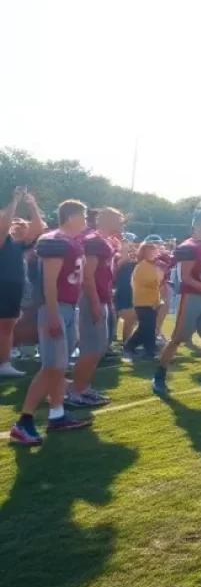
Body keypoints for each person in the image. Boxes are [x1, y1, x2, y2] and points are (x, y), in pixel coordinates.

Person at [9, 199, 93, 444]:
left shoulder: (72, 241)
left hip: (68, 308)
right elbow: (49, 282)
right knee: (51, 367)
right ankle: (23, 422)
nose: (86, 222)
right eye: (83, 217)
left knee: (59, 366)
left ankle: (57, 415)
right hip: (55, 309)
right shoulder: (55, 240)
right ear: (71, 217)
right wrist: (54, 313)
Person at [152, 211, 201, 395]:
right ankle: (159, 374)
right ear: (197, 226)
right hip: (192, 297)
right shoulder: (188, 247)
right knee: (178, 338)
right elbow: (186, 278)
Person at [67, 207, 124, 408]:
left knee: (99, 349)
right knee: (91, 349)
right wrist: (94, 303)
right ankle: (75, 391)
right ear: (107, 220)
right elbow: (88, 276)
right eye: (118, 218)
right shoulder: (94, 241)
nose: (121, 222)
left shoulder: (104, 241)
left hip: (102, 298)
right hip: (93, 299)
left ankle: (83, 387)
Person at [0, 188, 45, 378]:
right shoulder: (4, 238)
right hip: (3, 285)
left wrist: (32, 204)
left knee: (7, 325)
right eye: (15, 221)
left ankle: (4, 363)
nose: (18, 222)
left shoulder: (22, 244)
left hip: (13, 288)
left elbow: (39, 227)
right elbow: (3, 225)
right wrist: (15, 201)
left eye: (21, 221)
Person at [123, 239, 162, 359]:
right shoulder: (142, 265)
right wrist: (160, 278)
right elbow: (150, 282)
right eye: (151, 251)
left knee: (145, 327)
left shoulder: (152, 265)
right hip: (143, 301)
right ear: (144, 253)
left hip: (150, 301)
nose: (154, 253)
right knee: (148, 327)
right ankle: (149, 350)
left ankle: (129, 346)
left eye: (155, 251)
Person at [113, 234, 138, 345]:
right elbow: (117, 266)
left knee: (130, 319)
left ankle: (126, 343)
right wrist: (125, 254)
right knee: (116, 317)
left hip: (130, 289)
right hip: (119, 288)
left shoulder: (134, 255)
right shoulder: (115, 254)